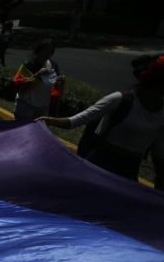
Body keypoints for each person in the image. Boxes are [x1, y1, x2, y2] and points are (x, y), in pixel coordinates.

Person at [39, 54, 164, 189]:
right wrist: (45, 121)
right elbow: (76, 121)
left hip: (129, 173)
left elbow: (159, 154)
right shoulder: (120, 99)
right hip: (99, 165)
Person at [12, 39, 65, 120]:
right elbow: (17, 85)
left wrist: (60, 81)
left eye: (51, 51)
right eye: (46, 50)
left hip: (43, 108)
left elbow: (57, 87)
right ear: (39, 50)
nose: (48, 54)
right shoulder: (29, 64)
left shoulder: (53, 64)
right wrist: (37, 75)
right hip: (25, 106)